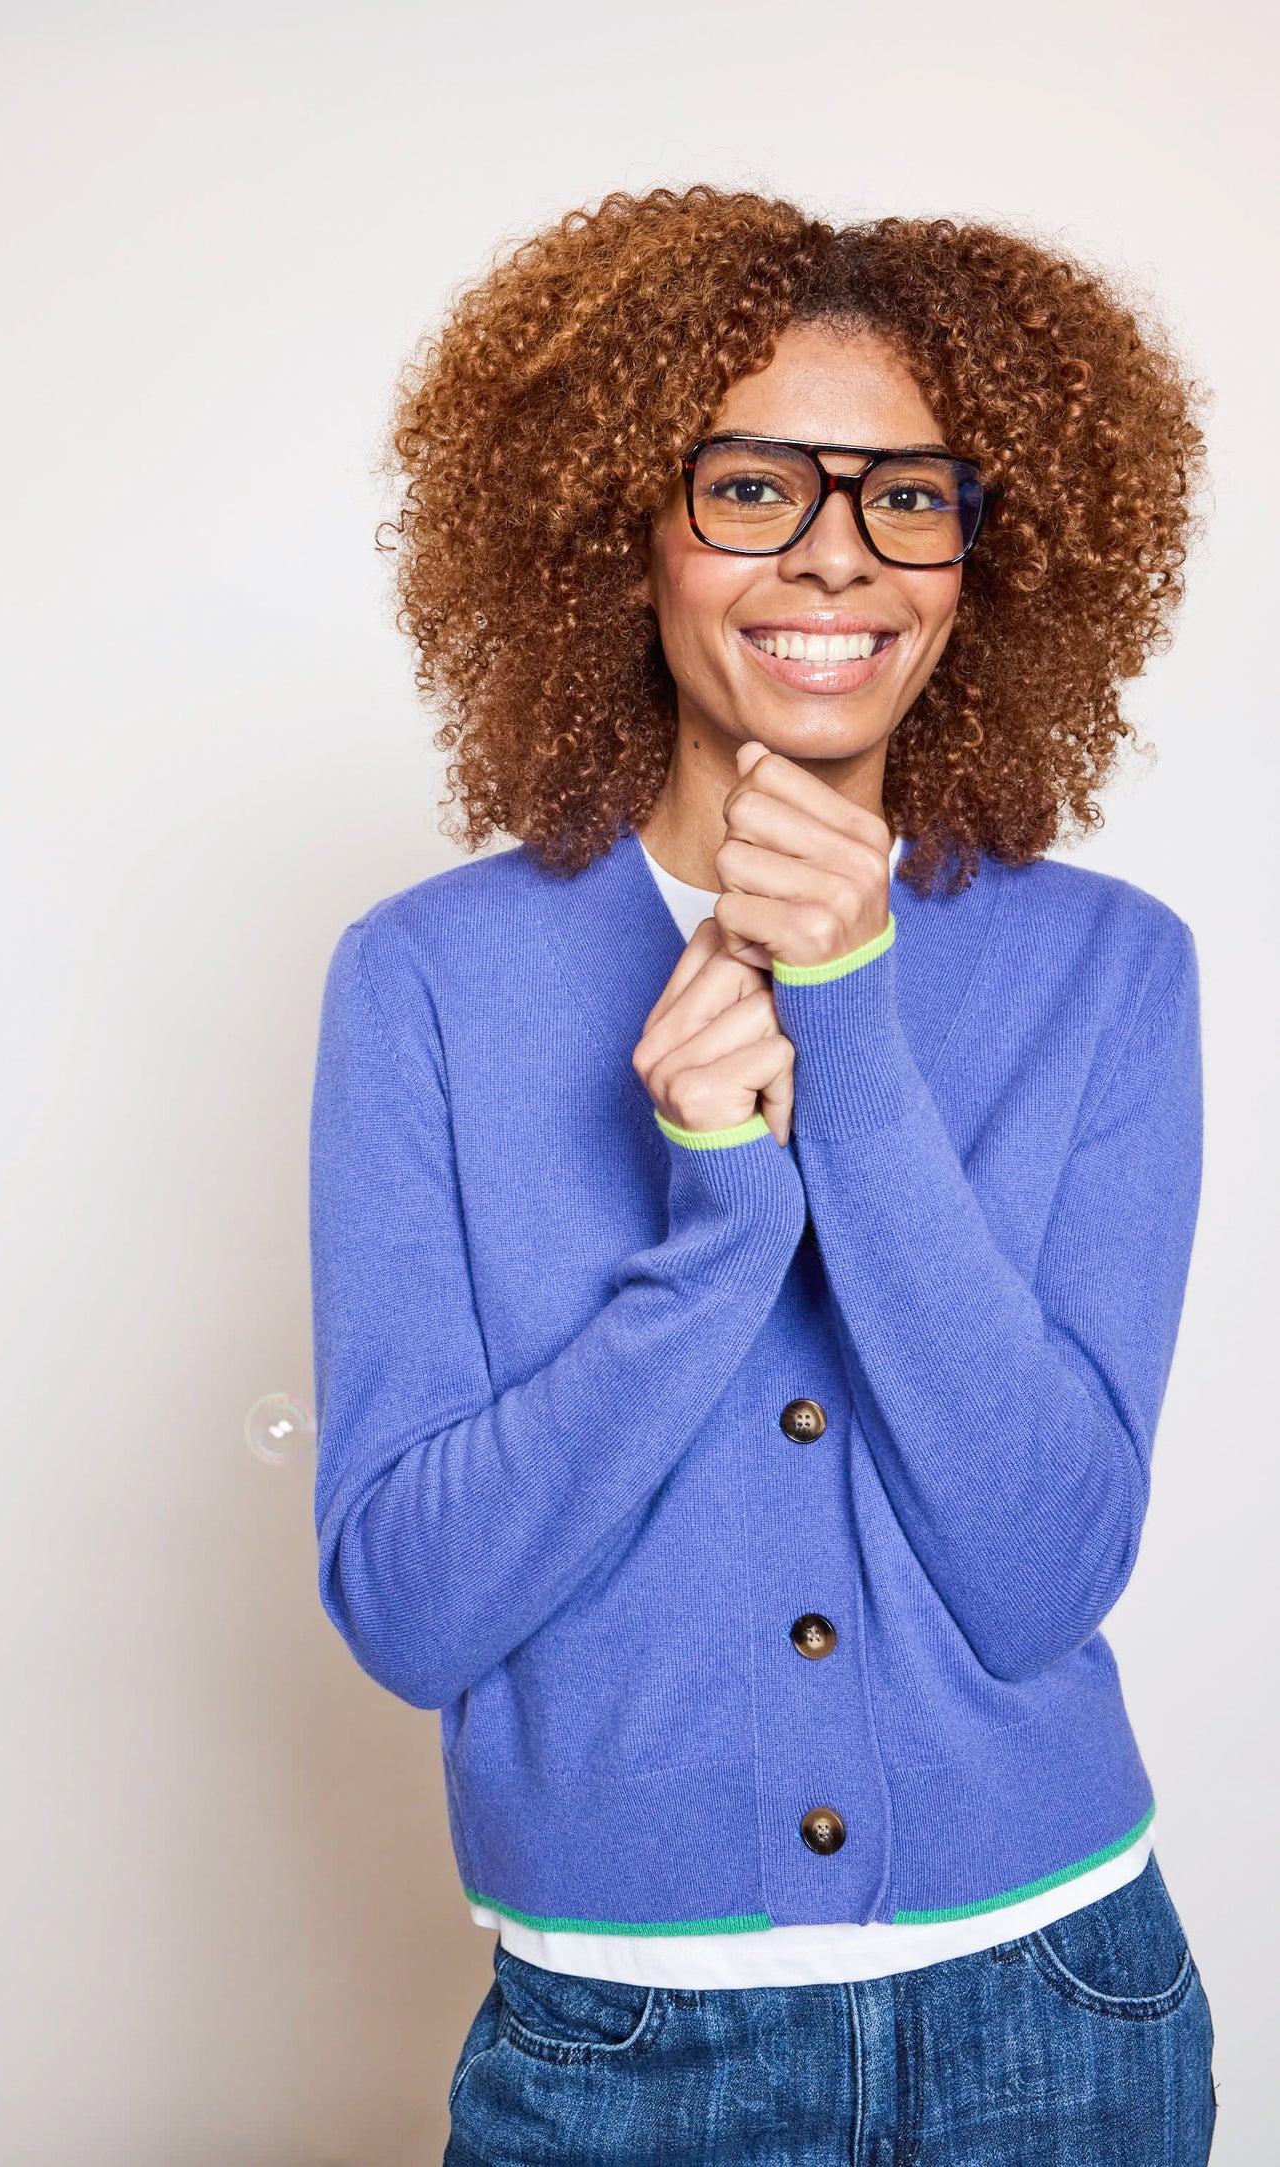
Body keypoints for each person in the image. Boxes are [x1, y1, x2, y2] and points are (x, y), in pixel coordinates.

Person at [308, 187, 1217, 2163]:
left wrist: (859, 1039)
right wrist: (714, 1232)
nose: (837, 555)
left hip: (1061, 2017)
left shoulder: (1112, 969)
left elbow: (1044, 1563)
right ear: (616, 532)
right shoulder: (429, 985)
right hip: (625, 2051)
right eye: (749, 488)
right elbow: (408, 1607)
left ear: (991, 553)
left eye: (909, 496)